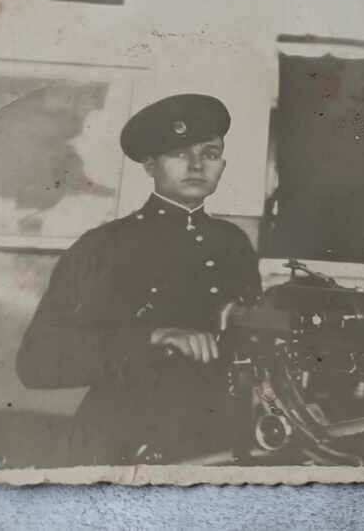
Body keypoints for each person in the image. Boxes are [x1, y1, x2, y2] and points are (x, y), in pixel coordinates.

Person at [15, 93, 261, 465]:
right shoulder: (103, 246)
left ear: (222, 165)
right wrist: (151, 337)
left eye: (209, 153)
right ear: (150, 165)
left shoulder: (234, 243)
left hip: (218, 439)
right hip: (122, 442)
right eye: (180, 153)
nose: (196, 165)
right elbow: (37, 363)